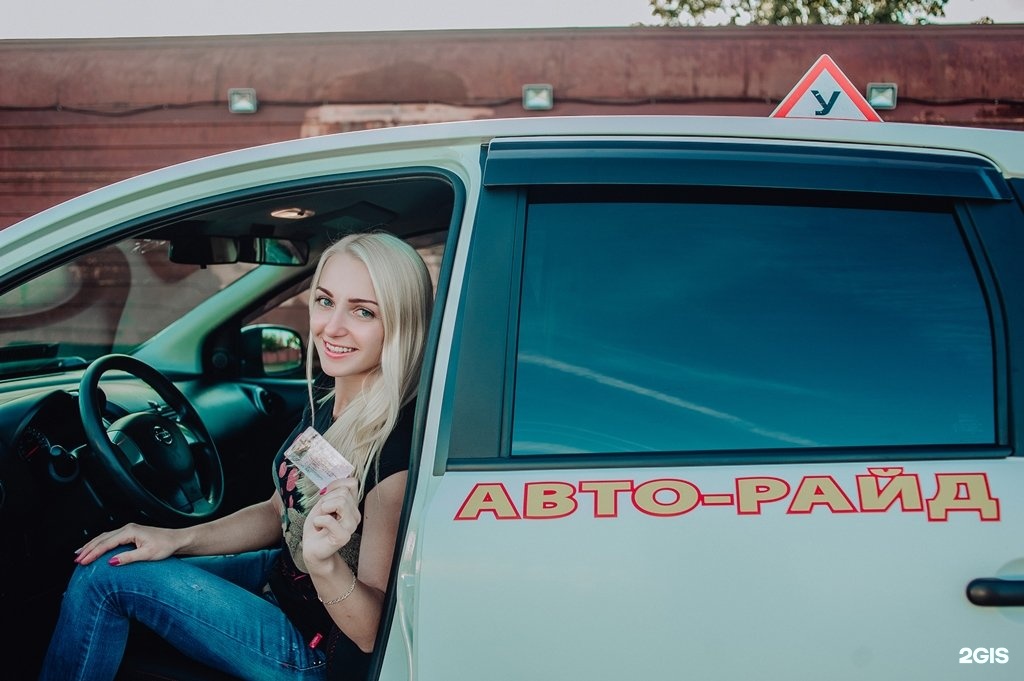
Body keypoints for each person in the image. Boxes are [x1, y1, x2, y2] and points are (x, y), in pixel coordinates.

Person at [39, 231, 434, 681]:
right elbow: (278, 510)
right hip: (280, 578)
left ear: (403, 323)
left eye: (363, 311)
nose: (332, 327)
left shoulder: (393, 451)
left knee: (103, 579)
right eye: (325, 301)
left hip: (315, 648)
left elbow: (369, 632)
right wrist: (175, 539)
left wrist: (324, 564)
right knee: (124, 559)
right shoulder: (331, 401)